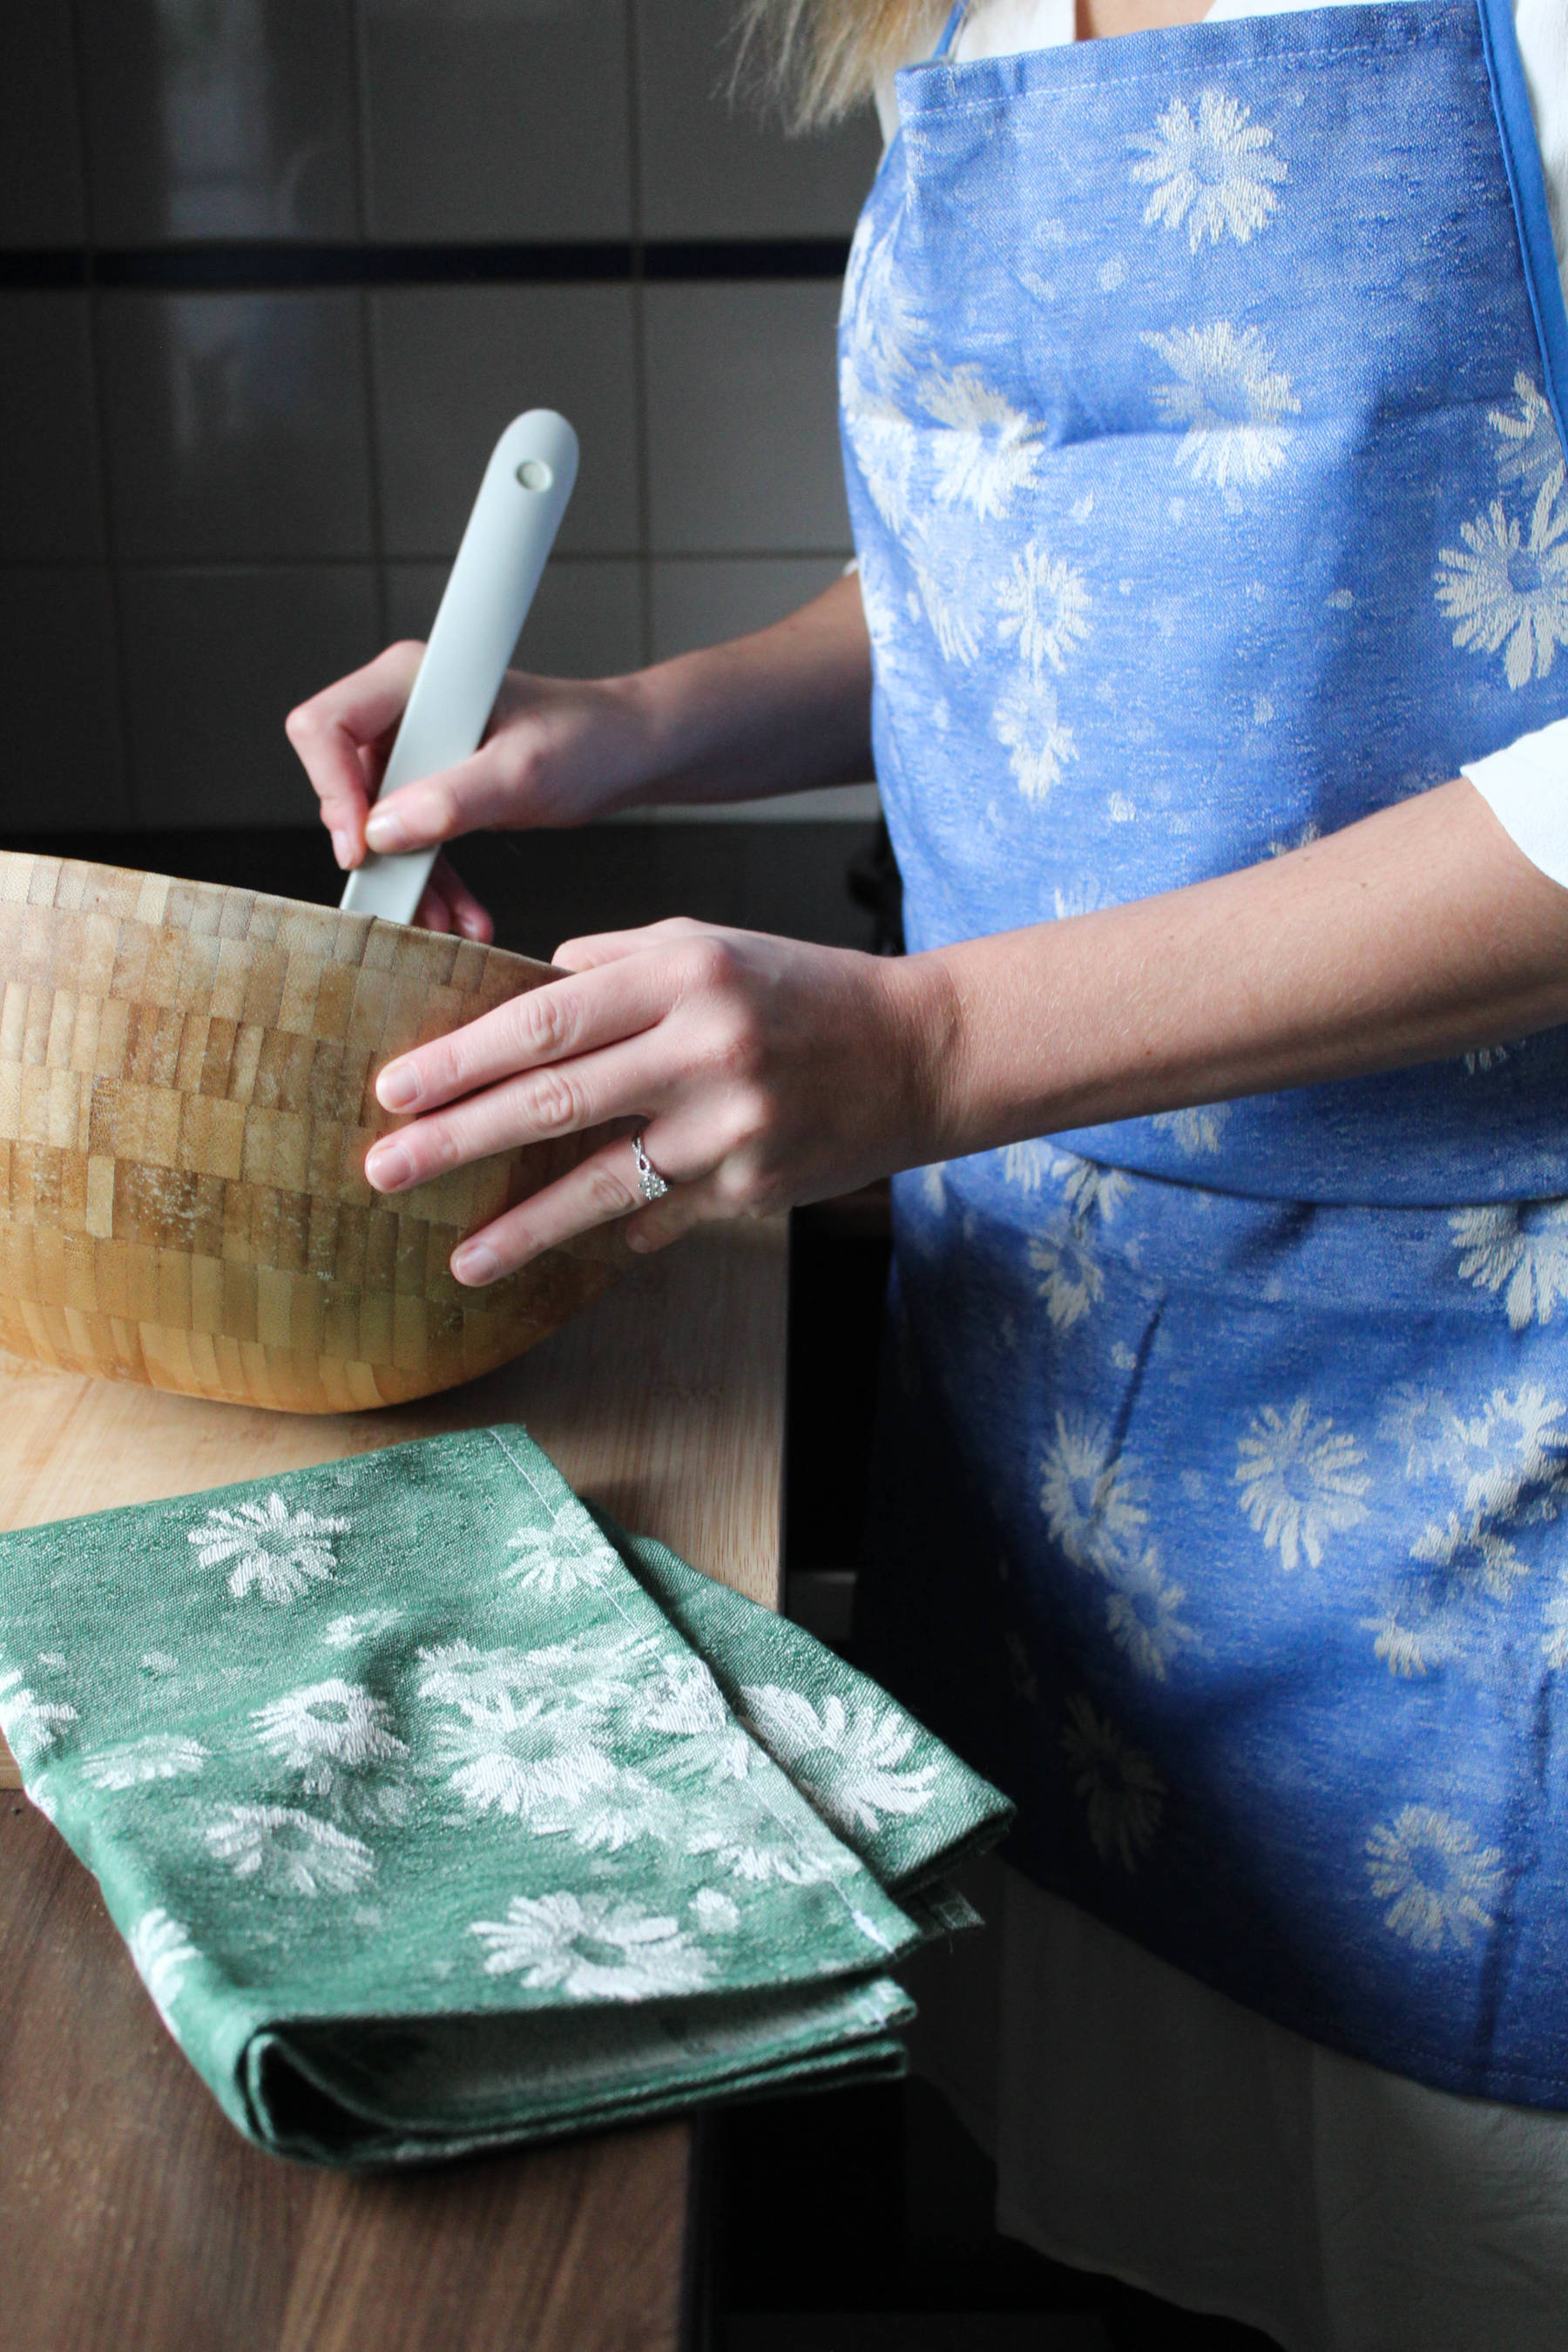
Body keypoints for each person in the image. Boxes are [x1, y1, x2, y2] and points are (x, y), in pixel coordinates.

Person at [287, 0, 1568, 2340]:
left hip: (1482, 1471)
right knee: (1119, 2236)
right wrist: (637, 725)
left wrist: (927, 1039)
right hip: (1066, 1441)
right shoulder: (957, 15)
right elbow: (1039, 533)